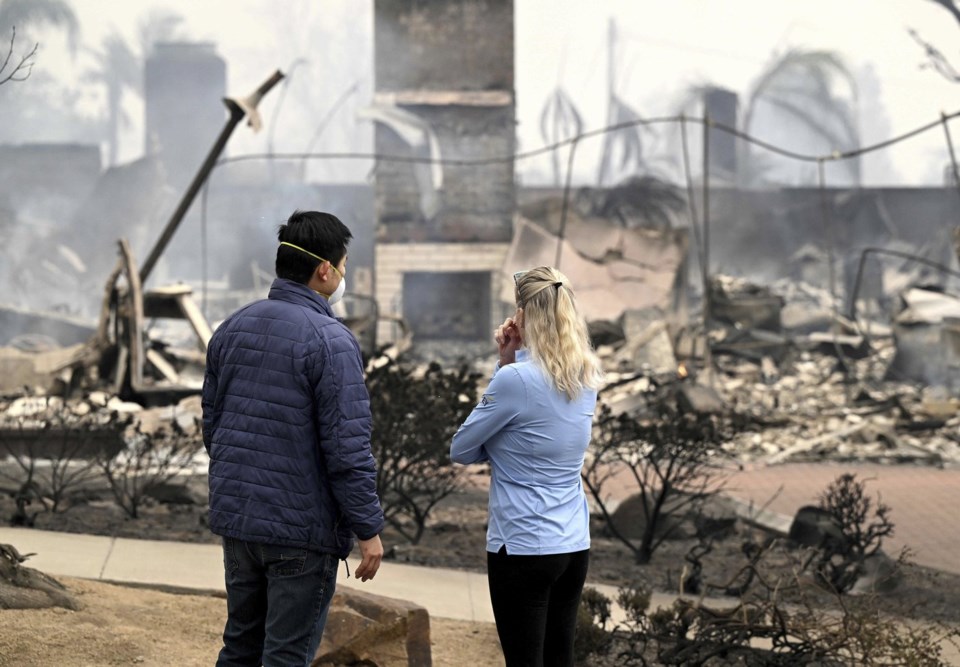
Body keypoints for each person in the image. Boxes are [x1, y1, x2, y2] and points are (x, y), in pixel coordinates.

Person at [201, 210, 385, 667]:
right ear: (324, 270)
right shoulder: (332, 341)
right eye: (343, 266)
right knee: (286, 656)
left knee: (239, 647)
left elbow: (213, 425)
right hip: (303, 533)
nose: (343, 275)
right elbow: (347, 450)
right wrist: (369, 528)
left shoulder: (231, 328)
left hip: (240, 521)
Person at [450, 266, 604, 667]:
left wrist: (504, 365)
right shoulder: (586, 375)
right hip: (572, 544)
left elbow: (462, 448)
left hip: (521, 545)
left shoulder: (515, 380)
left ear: (522, 314)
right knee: (559, 660)